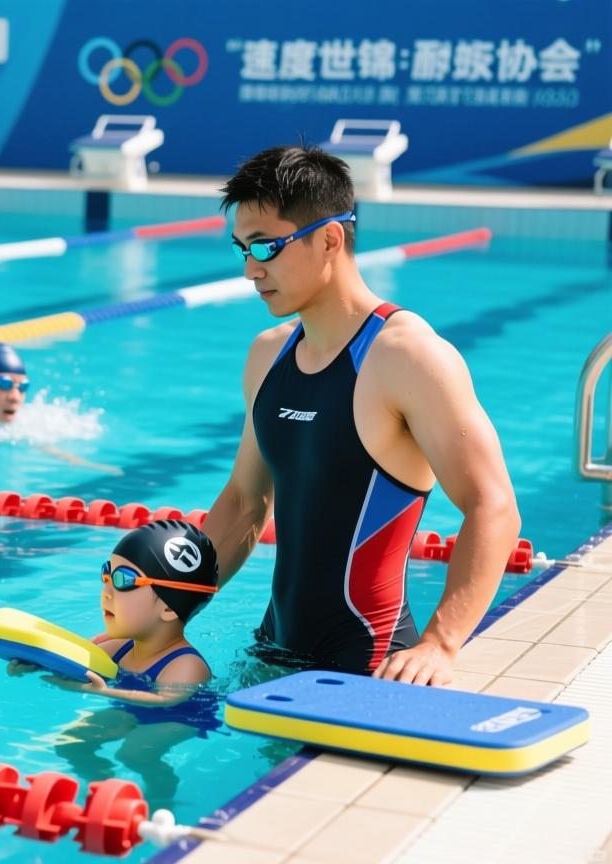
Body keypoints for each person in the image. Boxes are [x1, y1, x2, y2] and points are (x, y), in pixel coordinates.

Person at [201, 145, 521, 687]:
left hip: (369, 667)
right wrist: (162, 611)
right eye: (243, 249)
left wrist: (440, 645)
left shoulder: (408, 357)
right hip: (271, 651)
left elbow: (494, 506)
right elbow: (243, 503)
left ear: (330, 239)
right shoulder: (268, 354)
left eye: (266, 246)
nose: (251, 269)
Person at [40, 519, 223, 808]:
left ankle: (161, 799)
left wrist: (104, 692)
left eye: (124, 580)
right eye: (106, 574)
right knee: (73, 743)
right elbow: (72, 656)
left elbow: (166, 700)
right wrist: (33, 660)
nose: (106, 590)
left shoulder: (186, 664)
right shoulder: (118, 646)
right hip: (130, 708)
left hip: (181, 717)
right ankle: (106, 795)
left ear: (168, 607)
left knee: (135, 753)